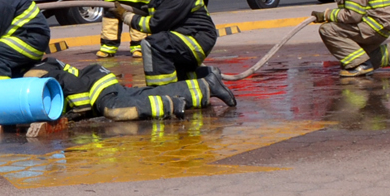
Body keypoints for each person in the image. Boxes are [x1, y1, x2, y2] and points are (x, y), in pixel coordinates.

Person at [28, 58, 236, 121]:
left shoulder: (33, 75)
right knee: (144, 94)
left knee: (115, 109)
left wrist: (76, 112)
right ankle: (207, 85)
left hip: (95, 86)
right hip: (97, 79)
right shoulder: (45, 64)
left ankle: (171, 105)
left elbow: (70, 84)